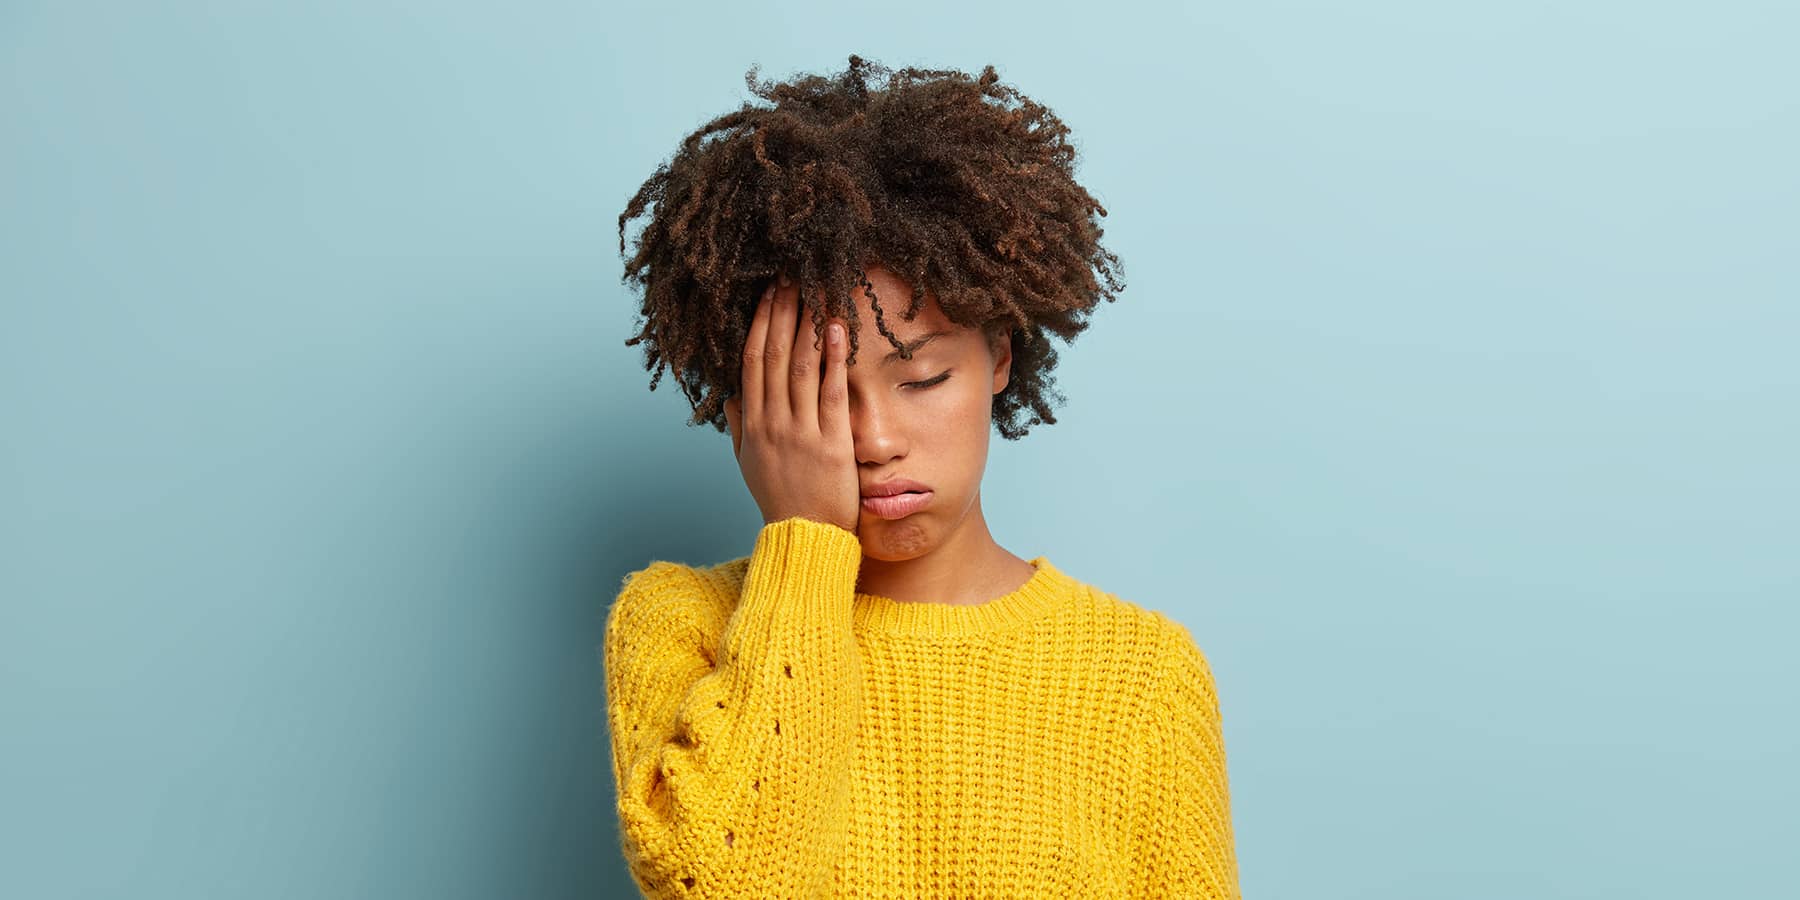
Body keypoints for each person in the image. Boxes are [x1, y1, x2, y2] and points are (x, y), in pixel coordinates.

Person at [605, 54, 1241, 898]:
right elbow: (723, 881)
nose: (874, 440)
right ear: (751, 407)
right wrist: (805, 543)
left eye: (924, 379)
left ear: (999, 356)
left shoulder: (1143, 675)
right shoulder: (680, 623)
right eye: (823, 395)